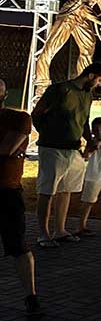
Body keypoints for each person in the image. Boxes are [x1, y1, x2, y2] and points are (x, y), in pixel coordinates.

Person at [32, 62, 101, 246]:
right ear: (90, 75)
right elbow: (37, 114)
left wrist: (89, 140)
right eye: (99, 80)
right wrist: (48, 133)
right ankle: (43, 234)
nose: (99, 84)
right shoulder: (61, 89)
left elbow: (84, 120)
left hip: (73, 148)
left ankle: (60, 230)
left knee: (66, 190)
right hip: (52, 148)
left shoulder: (87, 94)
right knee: (47, 190)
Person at [0, 79, 41, 316]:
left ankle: (31, 297)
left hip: (7, 192)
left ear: (5, 94)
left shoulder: (20, 118)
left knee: (18, 246)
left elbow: (5, 149)